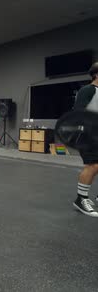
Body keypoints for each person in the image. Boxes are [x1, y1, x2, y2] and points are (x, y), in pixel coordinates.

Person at [72, 62, 98, 217]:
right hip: (89, 134)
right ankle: (81, 199)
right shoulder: (87, 90)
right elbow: (79, 113)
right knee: (93, 166)